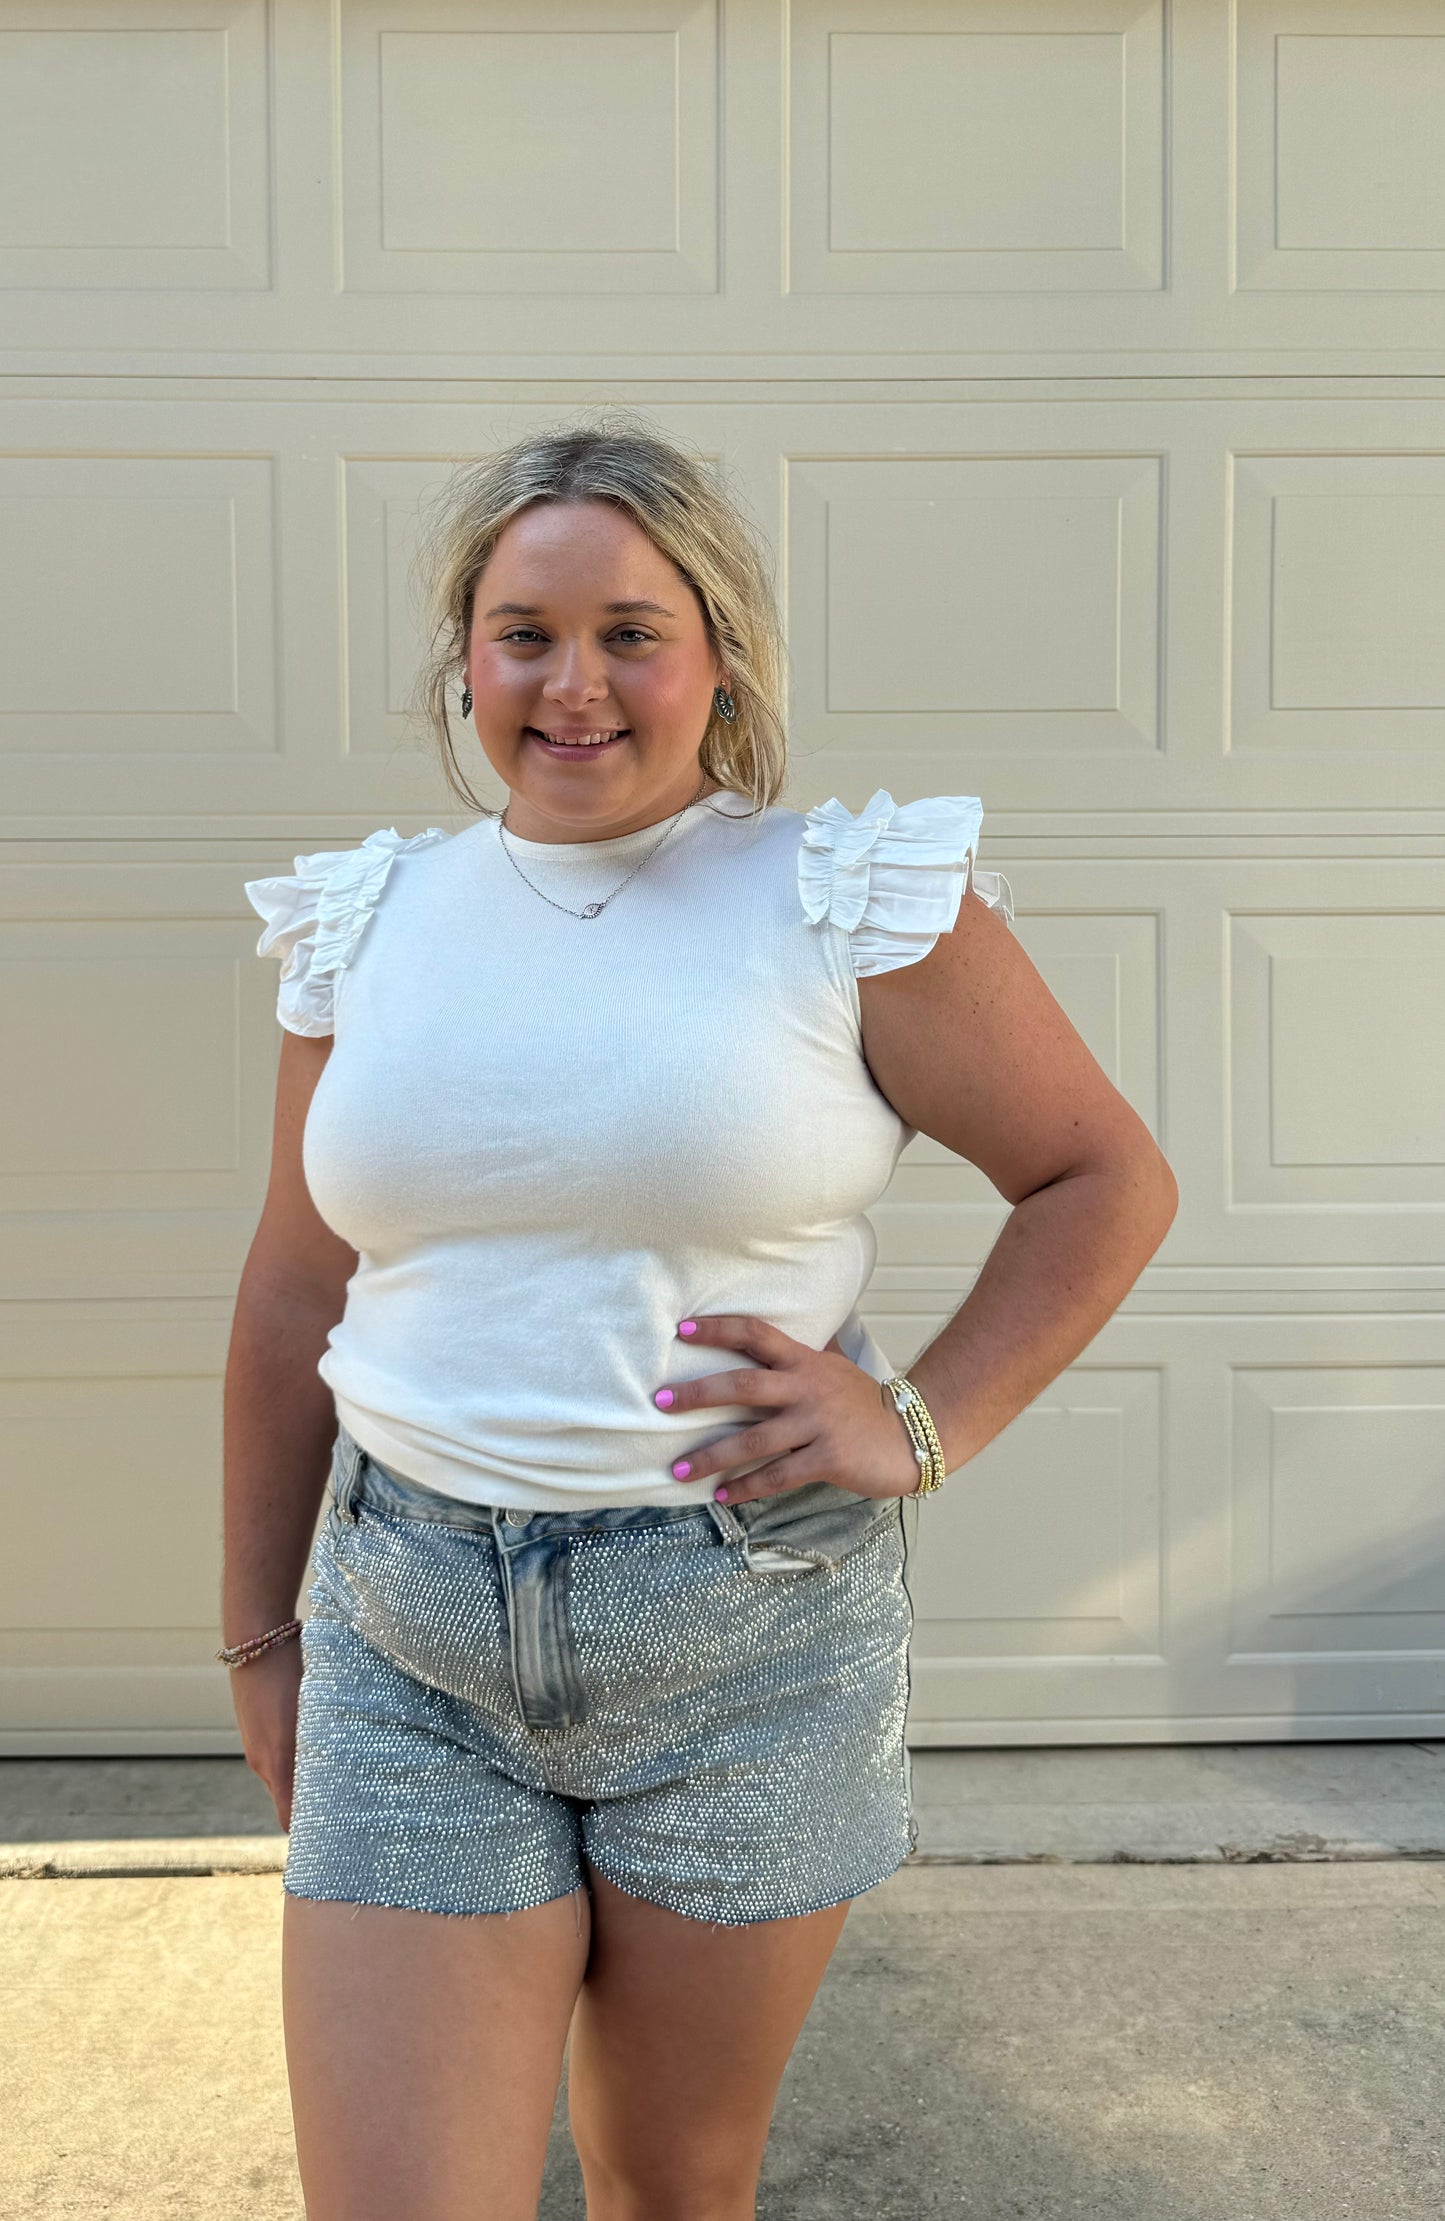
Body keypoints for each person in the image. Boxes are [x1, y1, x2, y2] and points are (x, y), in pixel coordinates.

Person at [222, 413, 1177, 2221]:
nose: (573, 684)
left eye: (628, 633)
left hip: (745, 1640)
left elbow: (1099, 1177)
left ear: (715, 655)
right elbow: (291, 1294)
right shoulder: (368, 921)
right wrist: (255, 1635)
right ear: (466, 657)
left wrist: (919, 1421)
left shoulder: (843, 899)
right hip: (407, 1639)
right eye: (526, 632)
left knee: (673, 2180)